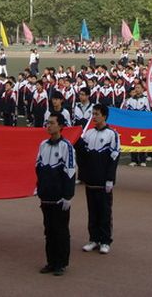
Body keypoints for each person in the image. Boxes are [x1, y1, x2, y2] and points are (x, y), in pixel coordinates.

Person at [75, 104, 120, 255]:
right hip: (91, 180)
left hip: (103, 181)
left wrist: (110, 179)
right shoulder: (88, 134)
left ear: (105, 116)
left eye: (97, 114)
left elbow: (114, 158)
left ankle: (105, 240)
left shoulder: (112, 135)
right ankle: (93, 239)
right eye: (93, 114)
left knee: (105, 211)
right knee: (92, 210)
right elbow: (83, 155)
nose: (94, 116)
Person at [36, 113, 77, 276]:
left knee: (60, 230)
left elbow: (70, 171)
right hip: (46, 196)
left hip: (60, 198)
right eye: (47, 123)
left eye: (52, 123)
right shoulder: (43, 145)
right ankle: (51, 261)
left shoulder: (67, 147)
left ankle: (61, 263)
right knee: (49, 230)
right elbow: (38, 168)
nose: (48, 126)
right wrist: (40, 189)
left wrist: (68, 196)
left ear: (60, 126)